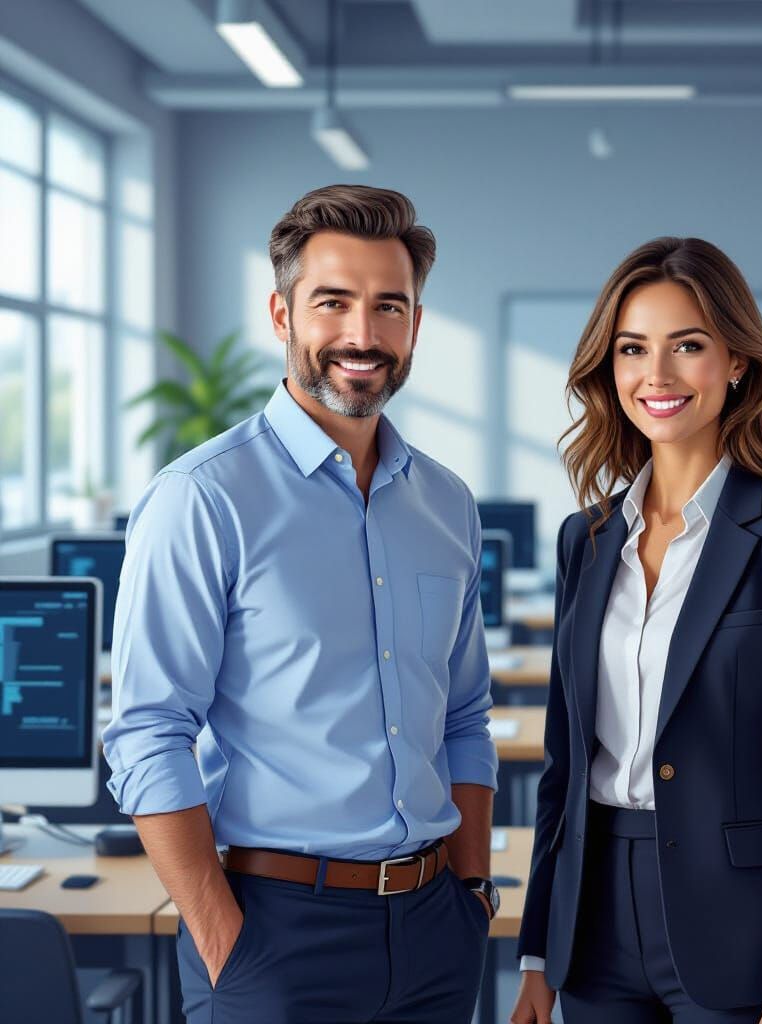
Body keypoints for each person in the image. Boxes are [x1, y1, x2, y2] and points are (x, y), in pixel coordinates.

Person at [103, 184, 500, 1024]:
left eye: (389, 306)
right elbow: (148, 732)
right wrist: (226, 945)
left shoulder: (448, 503)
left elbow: (464, 716)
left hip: (435, 929)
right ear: (283, 316)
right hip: (273, 933)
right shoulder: (202, 498)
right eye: (333, 303)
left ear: (416, 326)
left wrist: (471, 891)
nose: (363, 335)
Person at [511, 237, 762, 1024]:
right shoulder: (587, 540)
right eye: (633, 349)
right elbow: (562, 769)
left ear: (736, 362)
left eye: (687, 347)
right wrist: (536, 951)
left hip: (737, 927)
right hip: (592, 921)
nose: (656, 376)